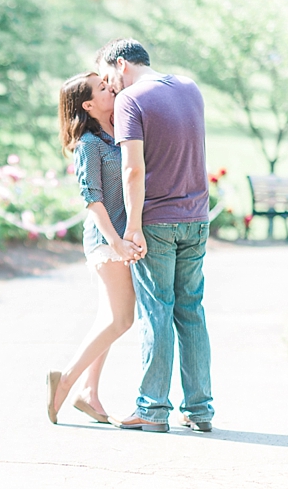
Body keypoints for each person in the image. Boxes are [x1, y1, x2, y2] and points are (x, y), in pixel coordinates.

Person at [96, 38, 214, 433]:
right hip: (197, 217)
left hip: (157, 222)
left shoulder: (133, 100)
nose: (109, 87)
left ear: (121, 64)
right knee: (191, 311)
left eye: (108, 76)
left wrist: (131, 227)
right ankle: (199, 410)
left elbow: (132, 169)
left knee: (157, 311)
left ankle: (151, 409)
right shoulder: (189, 87)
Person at [46, 72, 140, 425]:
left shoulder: (121, 130)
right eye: (102, 88)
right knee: (121, 319)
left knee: (108, 319)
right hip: (106, 239)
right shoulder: (89, 143)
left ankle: (88, 393)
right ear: (88, 105)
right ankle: (65, 383)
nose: (110, 88)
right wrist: (115, 240)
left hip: (120, 237)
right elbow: (92, 199)